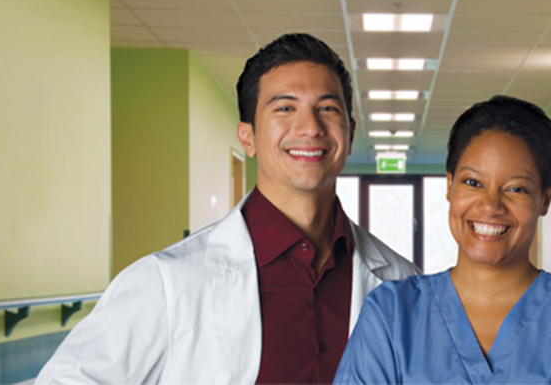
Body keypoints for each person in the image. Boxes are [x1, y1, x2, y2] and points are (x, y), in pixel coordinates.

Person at [36, 33, 419, 384]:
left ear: (349, 133)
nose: (310, 127)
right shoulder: (167, 282)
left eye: (328, 109)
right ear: (247, 136)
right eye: (285, 108)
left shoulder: (402, 282)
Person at [335, 95, 551, 383]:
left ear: (545, 199)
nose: (491, 205)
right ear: (450, 185)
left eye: (516, 188)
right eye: (473, 183)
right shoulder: (391, 315)